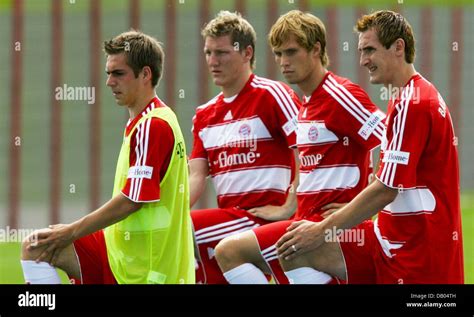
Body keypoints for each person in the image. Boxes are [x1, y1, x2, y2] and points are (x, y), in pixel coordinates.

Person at [275, 10, 464, 284]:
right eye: (361, 51)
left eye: (370, 50)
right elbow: (390, 180)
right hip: (389, 240)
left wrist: (322, 230)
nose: (363, 61)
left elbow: (386, 189)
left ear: (398, 47)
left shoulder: (414, 103)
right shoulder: (407, 98)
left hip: (416, 255)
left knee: (279, 247)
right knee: (293, 249)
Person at [215, 10, 385, 284]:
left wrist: (362, 205)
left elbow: (393, 140)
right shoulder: (306, 102)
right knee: (234, 251)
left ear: (316, 49)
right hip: (304, 225)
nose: (284, 62)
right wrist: (287, 207)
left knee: (230, 251)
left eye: (291, 52)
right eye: (278, 54)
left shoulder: (339, 95)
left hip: (329, 231)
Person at [20, 30, 195, 284]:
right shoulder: (149, 120)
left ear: (145, 74)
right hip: (121, 254)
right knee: (36, 246)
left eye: (118, 73)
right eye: (108, 73)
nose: (109, 82)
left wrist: (71, 231)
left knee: (40, 246)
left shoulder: (152, 125)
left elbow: (131, 200)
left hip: (145, 269)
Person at [189, 11, 301, 284]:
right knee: (173, 227)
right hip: (231, 220)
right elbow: (196, 176)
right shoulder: (203, 114)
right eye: (208, 53)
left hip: (265, 219)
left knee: (185, 229)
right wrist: (169, 211)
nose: (213, 62)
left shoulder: (272, 95)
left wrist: (290, 206)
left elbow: (307, 150)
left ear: (247, 52)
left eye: (222, 53)